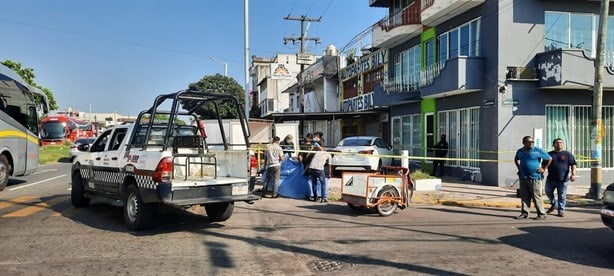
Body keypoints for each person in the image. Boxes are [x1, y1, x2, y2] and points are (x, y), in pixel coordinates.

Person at [514, 135, 552, 220]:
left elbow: (549, 158)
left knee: (536, 196)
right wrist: (519, 168)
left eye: (532, 142)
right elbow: (516, 159)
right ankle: (524, 213)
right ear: (523, 143)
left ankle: (542, 214)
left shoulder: (537, 151)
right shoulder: (520, 151)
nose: (531, 143)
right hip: (523, 177)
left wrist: (543, 168)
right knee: (524, 196)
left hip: (534, 177)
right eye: (528, 142)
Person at [545, 138, 577, 217]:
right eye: (557, 143)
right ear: (553, 145)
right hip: (550, 179)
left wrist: (573, 174)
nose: (559, 144)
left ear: (563, 144)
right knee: (548, 192)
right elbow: (544, 165)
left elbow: (573, 164)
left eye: (560, 143)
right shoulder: (549, 154)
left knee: (562, 196)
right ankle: (554, 204)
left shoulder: (567, 154)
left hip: (563, 180)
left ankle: (561, 210)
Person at [298, 133, 315, 200]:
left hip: (305, 165)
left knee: (306, 180)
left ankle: (308, 194)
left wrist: (300, 162)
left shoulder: (303, 146)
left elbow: (300, 156)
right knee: (312, 180)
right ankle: (313, 194)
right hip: (313, 165)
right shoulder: (314, 147)